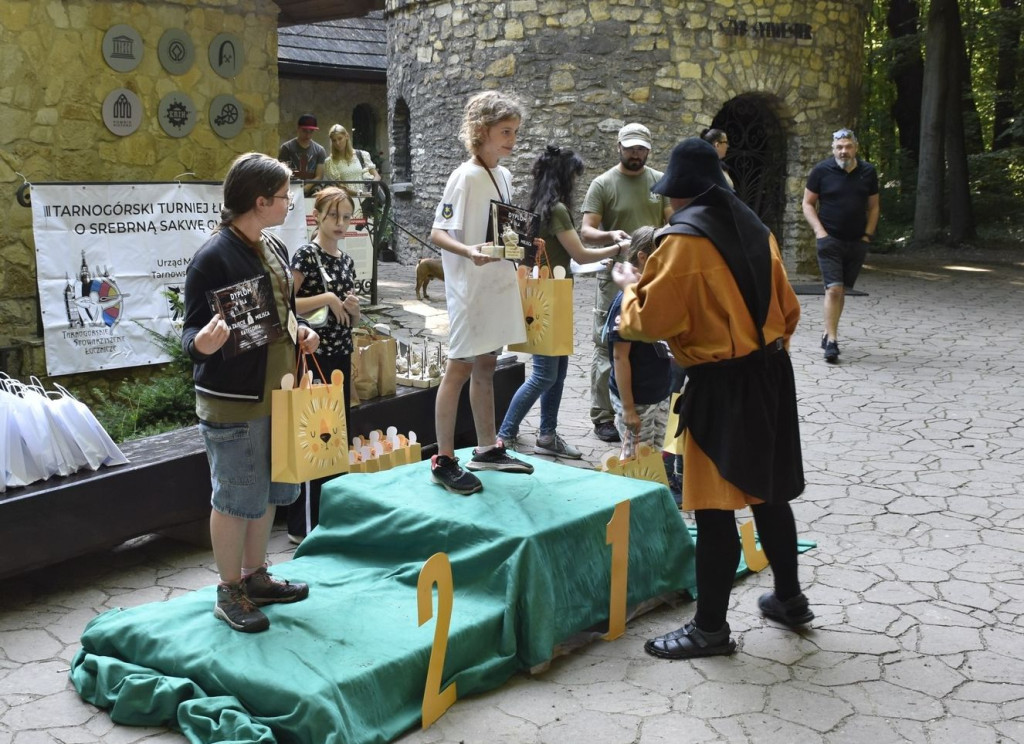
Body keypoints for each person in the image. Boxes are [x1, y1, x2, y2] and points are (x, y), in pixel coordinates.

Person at [612, 138, 809, 659]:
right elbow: (790, 313)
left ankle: (710, 630)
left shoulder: (683, 243)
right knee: (768, 493)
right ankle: (789, 600)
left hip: (723, 384)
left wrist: (631, 283)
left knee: (716, 509)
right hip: (770, 374)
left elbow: (644, 323)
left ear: (679, 195)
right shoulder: (756, 229)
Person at [182, 152, 318, 633]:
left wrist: (300, 330)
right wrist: (204, 343)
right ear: (259, 201)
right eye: (283, 196)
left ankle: (255, 576)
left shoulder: (273, 246)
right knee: (236, 496)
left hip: (278, 393)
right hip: (233, 400)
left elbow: (283, 311)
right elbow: (191, 337)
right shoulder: (212, 258)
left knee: (269, 493)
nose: (289, 203)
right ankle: (228, 591)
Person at [428, 91, 534, 495]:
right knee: (459, 368)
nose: (512, 139)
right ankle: (445, 458)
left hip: (497, 283)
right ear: (480, 131)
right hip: (471, 288)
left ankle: (487, 448)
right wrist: (468, 250)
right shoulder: (465, 176)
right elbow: (439, 231)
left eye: (515, 131)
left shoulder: (503, 175)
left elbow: (503, 229)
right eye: (504, 131)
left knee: (487, 364)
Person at [497, 145, 627, 459]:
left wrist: (605, 246)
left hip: (545, 296)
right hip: (549, 301)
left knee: (558, 372)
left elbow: (569, 258)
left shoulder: (538, 207)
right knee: (544, 374)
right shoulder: (556, 210)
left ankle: (547, 435)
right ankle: (505, 434)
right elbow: (580, 253)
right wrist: (616, 245)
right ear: (563, 178)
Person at [580, 122, 671, 443]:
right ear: (618, 146)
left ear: (649, 149)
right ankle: (603, 414)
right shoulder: (603, 183)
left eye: (641, 148)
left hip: (653, 275)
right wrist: (610, 236)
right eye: (631, 147)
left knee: (651, 342)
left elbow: (671, 221)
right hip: (614, 277)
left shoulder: (660, 181)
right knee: (608, 345)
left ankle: (648, 404)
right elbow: (586, 230)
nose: (636, 153)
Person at [286, 186, 360, 544]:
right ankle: (301, 524)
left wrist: (352, 310)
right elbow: (286, 303)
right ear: (317, 216)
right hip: (313, 354)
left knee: (335, 438)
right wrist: (329, 298)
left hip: (340, 353)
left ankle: (330, 516)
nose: (341, 223)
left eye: (346, 216)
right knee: (315, 435)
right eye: (334, 216)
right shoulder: (305, 255)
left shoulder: (345, 259)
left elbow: (347, 317)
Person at [802, 127, 880, 363]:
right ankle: (833, 342)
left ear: (855, 147)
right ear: (832, 149)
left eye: (847, 147)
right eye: (839, 147)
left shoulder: (868, 172)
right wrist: (820, 232)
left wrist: (867, 236)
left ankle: (828, 331)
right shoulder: (821, 171)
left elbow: (874, 206)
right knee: (833, 289)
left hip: (856, 241)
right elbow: (807, 203)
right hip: (830, 240)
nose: (843, 151)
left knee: (840, 289)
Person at [604, 226, 672, 478]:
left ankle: (649, 505)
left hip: (659, 393)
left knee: (652, 457)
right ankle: (626, 510)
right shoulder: (625, 301)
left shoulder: (655, 293)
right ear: (643, 258)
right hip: (636, 398)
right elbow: (620, 357)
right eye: (662, 257)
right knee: (634, 463)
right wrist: (629, 409)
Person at [278, 114, 327, 195]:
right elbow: (282, 173)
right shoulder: (286, 148)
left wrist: (306, 188)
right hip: (291, 188)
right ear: (298, 129)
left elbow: (319, 176)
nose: (308, 135)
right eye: (304, 131)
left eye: (311, 131)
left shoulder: (320, 150)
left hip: (313, 189)